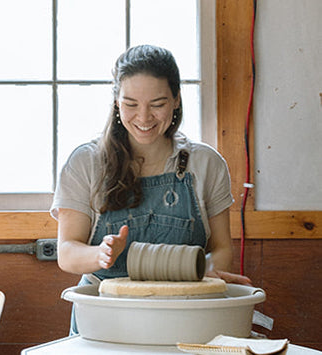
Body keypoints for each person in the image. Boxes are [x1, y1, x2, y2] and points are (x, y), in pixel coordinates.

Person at [50, 44, 251, 335]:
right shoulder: (85, 162)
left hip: (184, 315)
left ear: (176, 100)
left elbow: (221, 249)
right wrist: (101, 254)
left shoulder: (207, 164)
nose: (143, 118)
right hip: (104, 317)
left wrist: (202, 269)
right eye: (130, 104)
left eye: (157, 104)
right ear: (116, 102)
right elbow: (67, 253)